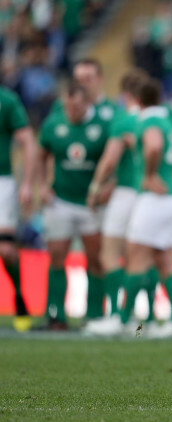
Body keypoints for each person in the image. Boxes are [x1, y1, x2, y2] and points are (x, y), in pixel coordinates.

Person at [117, 78, 172, 338]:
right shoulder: (169, 121)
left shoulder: (148, 120)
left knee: (135, 258)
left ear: (136, 99)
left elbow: (154, 145)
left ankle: (122, 320)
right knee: (165, 261)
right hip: (171, 199)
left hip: (153, 199)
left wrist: (148, 175)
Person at [38, 82, 111, 329]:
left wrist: (107, 187)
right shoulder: (53, 124)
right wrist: (42, 184)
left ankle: (94, 314)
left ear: (87, 103)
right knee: (57, 254)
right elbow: (41, 154)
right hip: (60, 200)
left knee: (95, 258)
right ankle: (56, 314)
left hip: (91, 203)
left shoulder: (102, 126)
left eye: (78, 106)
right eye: (69, 105)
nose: (73, 110)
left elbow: (114, 160)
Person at [82, 69, 149, 335]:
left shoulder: (123, 120)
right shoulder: (161, 118)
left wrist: (96, 187)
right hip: (150, 196)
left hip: (126, 195)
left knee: (109, 254)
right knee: (142, 259)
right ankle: (143, 317)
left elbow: (110, 159)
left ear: (126, 94)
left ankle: (114, 316)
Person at [0, 85, 38, 332]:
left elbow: (28, 142)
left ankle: (19, 296)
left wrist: (26, 184)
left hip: (2, 182)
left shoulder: (7, 101)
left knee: (5, 250)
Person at [51, 59, 120, 123]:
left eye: (87, 80)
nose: (82, 85)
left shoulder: (114, 110)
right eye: (78, 81)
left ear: (100, 78)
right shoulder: (60, 107)